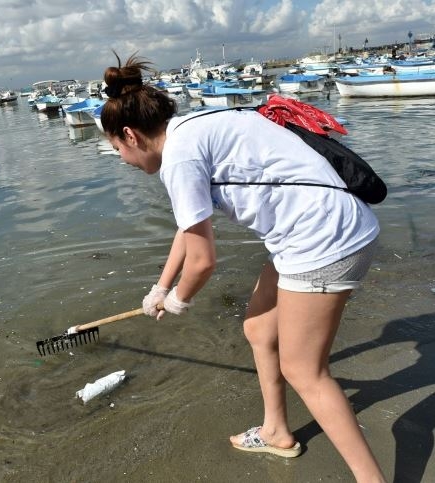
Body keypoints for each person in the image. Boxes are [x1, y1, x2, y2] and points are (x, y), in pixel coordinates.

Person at [100, 52, 386, 483]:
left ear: (130, 135)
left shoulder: (178, 159)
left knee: (304, 371)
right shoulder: (191, 128)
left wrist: (179, 300)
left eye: (116, 149)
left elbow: (202, 261)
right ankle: (275, 431)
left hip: (324, 240)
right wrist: (160, 287)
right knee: (258, 327)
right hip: (319, 230)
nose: (121, 158)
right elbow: (188, 229)